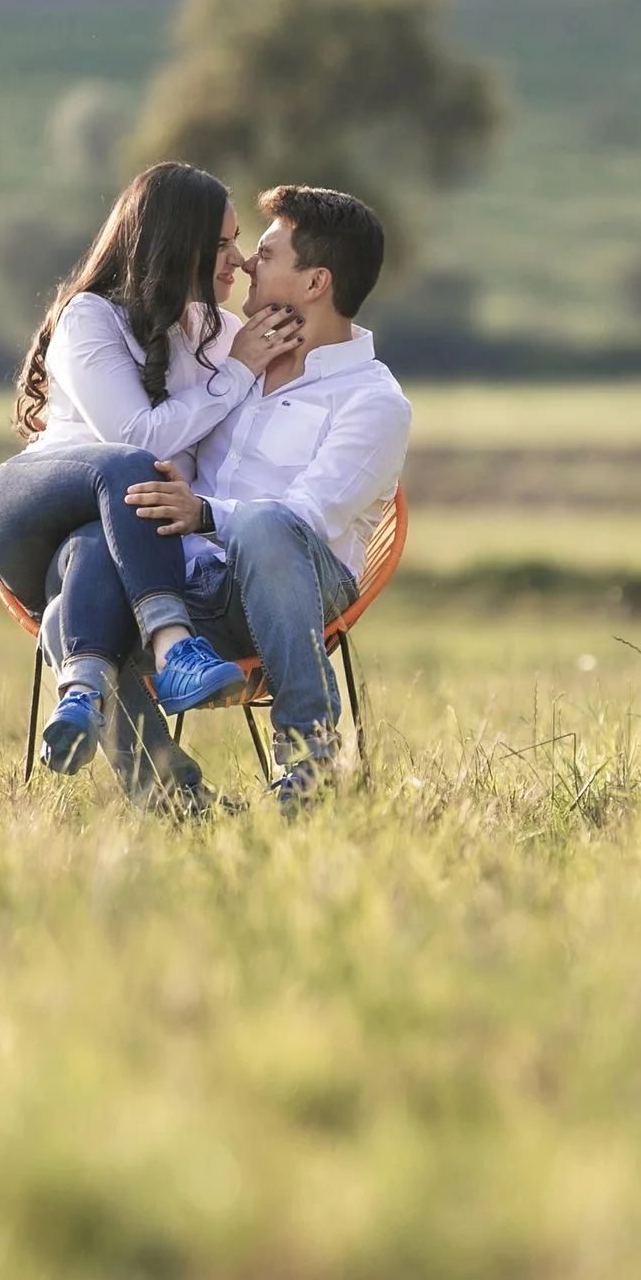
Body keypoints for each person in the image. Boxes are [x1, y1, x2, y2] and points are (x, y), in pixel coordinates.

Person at [57, 185, 410, 814]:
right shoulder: (229, 358)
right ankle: (171, 797)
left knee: (268, 526)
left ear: (315, 283)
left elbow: (306, 520)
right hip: (195, 589)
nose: (246, 262)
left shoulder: (372, 400)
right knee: (68, 613)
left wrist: (203, 513)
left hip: (296, 585)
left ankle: (309, 761)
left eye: (268, 253)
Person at [0, 162, 304, 773]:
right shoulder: (89, 317)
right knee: (130, 466)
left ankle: (89, 703)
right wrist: (237, 372)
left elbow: (226, 452)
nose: (239, 259)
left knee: (104, 535)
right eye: (223, 242)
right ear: (179, 244)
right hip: (26, 512)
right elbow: (133, 435)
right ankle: (174, 644)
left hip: (107, 546)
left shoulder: (219, 331)